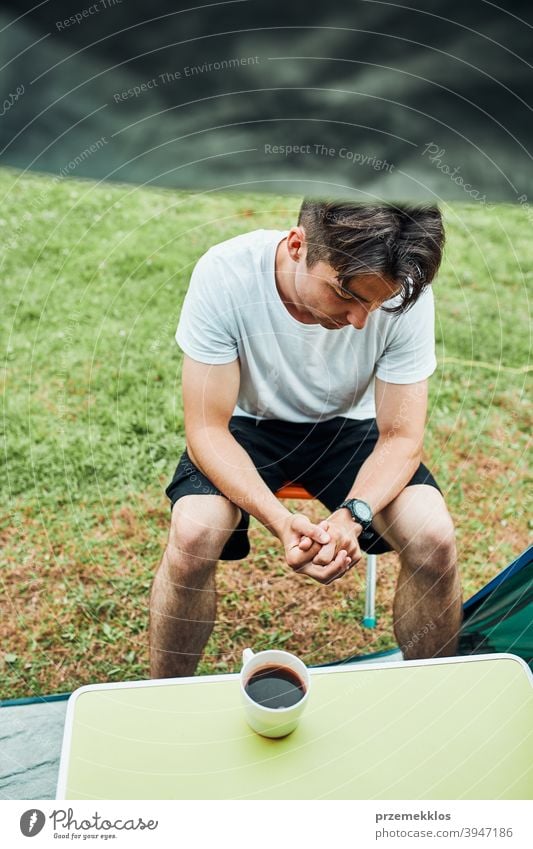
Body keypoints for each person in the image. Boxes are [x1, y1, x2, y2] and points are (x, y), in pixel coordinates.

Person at [149, 200, 463, 678]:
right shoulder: (226, 272)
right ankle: (163, 700)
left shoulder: (406, 291)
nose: (360, 321)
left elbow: (401, 438)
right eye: (347, 295)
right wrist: (279, 520)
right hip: (245, 425)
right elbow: (207, 430)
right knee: (194, 532)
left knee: (434, 537)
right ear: (298, 245)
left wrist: (353, 515)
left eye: (377, 305)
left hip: (351, 429)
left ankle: (433, 698)